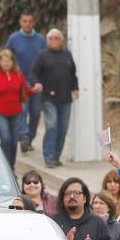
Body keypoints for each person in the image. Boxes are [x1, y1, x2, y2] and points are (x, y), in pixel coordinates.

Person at [32, 29, 78, 168]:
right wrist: (37, 83)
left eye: (57, 38)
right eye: (51, 38)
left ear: (61, 40)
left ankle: (56, 156)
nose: (54, 40)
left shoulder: (67, 55)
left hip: (65, 98)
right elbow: (34, 73)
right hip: (48, 98)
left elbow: (73, 74)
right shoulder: (42, 56)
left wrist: (76, 88)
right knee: (52, 126)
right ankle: (49, 156)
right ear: (47, 41)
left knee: (62, 129)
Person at [5, 10, 47, 154]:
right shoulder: (13, 39)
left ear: (34, 23)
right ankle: (23, 137)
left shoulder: (41, 40)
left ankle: (29, 138)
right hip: (19, 82)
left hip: (37, 83)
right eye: (25, 21)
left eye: (30, 21)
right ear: (20, 22)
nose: (27, 24)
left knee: (35, 113)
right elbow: (6, 57)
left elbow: (46, 60)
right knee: (22, 111)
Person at [0, 49, 32, 169]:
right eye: (4, 61)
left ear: (13, 62)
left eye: (9, 61)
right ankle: (5, 168)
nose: (7, 63)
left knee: (13, 142)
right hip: (0, 113)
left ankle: (11, 167)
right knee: (6, 139)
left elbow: (25, 90)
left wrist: (34, 90)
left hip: (16, 113)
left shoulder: (18, 75)